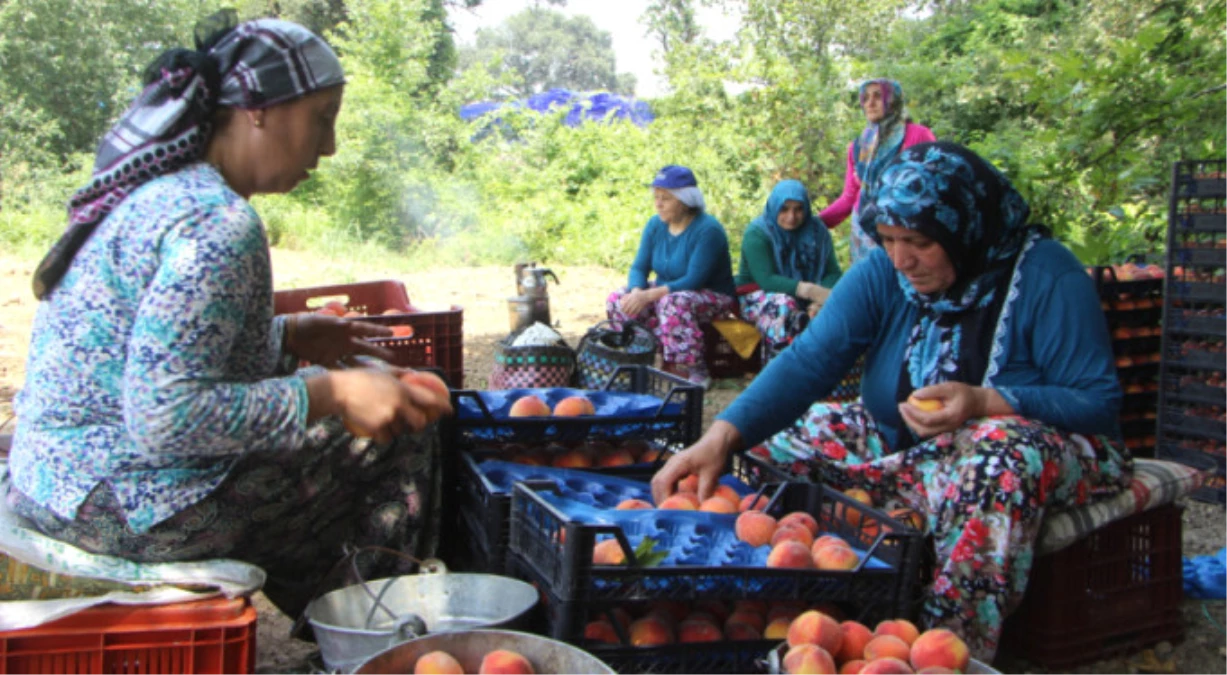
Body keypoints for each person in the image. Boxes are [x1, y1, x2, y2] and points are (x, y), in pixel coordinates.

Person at [7, 12, 450, 619]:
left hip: (55, 483)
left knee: (341, 412)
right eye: (322, 119)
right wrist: (333, 393)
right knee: (401, 429)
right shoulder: (219, 223)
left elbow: (175, 350)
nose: (329, 146)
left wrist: (290, 335)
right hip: (120, 506)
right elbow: (166, 416)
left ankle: (335, 607)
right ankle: (373, 630)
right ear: (260, 109)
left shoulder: (167, 191)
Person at [652, 142, 1133, 661]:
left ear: (964, 228)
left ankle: (943, 647)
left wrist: (987, 400)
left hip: (1043, 453)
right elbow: (808, 361)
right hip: (901, 443)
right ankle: (815, 611)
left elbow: (1097, 400)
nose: (902, 258)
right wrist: (721, 435)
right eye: (887, 239)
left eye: (921, 242)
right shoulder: (885, 271)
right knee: (775, 444)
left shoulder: (1044, 276)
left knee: (997, 453)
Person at [606, 165, 737, 388]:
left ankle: (693, 369)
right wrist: (637, 291)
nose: (658, 203)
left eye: (666, 198)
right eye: (656, 197)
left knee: (673, 302)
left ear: (685, 201)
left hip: (711, 296)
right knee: (618, 300)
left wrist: (648, 296)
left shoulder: (708, 230)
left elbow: (693, 280)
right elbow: (639, 267)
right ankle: (641, 357)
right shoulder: (655, 225)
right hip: (667, 290)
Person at [819, 79, 937, 264]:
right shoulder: (859, 147)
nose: (870, 103)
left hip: (906, 229)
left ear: (893, 100)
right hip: (864, 232)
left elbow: (935, 186)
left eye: (877, 96)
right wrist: (815, 222)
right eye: (865, 98)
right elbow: (849, 198)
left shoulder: (918, 136)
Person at [735, 179, 842, 356]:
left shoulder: (817, 232)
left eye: (798, 209)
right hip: (758, 297)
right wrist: (809, 290)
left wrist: (818, 301)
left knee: (840, 302)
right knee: (783, 305)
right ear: (774, 206)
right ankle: (778, 363)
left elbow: (832, 272)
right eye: (784, 209)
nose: (791, 217)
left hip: (809, 299)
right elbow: (766, 279)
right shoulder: (757, 233)